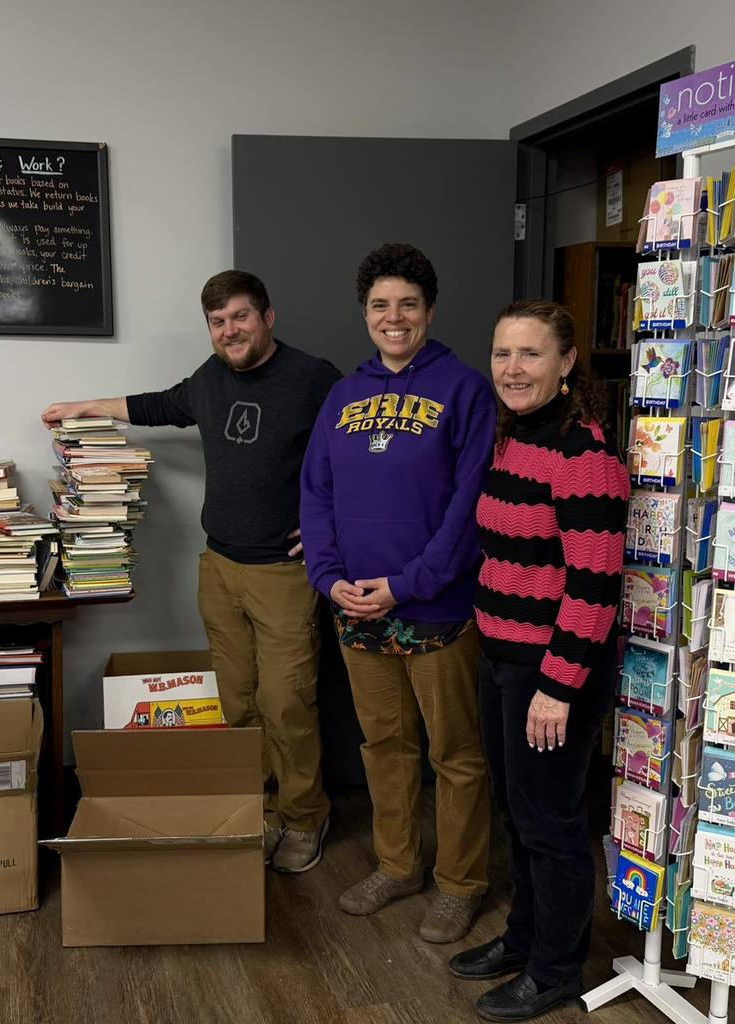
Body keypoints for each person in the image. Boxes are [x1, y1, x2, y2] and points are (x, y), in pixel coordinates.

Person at [41, 270, 341, 872]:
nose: (230, 330)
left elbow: (354, 458)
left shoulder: (315, 379)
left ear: (268, 317)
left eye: (240, 316)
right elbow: (156, 404)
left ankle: (306, 816)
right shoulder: (210, 379)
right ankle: (262, 808)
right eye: (217, 321)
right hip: (219, 566)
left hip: (282, 575)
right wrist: (83, 408)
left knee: (287, 703)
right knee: (238, 700)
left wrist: (332, 528)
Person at [300, 242, 495, 943]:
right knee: (384, 745)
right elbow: (316, 495)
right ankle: (398, 865)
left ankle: (461, 884)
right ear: (365, 314)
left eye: (408, 303)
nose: (394, 316)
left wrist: (407, 585)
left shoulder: (466, 390)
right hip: (356, 608)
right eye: (380, 305)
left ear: (429, 310)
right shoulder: (343, 397)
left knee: (455, 754)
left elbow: (471, 507)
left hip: (436, 608)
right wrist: (329, 579)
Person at [449, 299, 628, 1022]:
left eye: (530, 353)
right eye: (502, 353)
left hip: (552, 672)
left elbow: (594, 587)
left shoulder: (586, 458)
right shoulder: (514, 437)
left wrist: (556, 687)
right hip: (502, 657)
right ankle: (523, 938)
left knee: (550, 822)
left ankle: (554, 969)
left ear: (566, 362)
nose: (512, 368)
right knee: (517, 812)